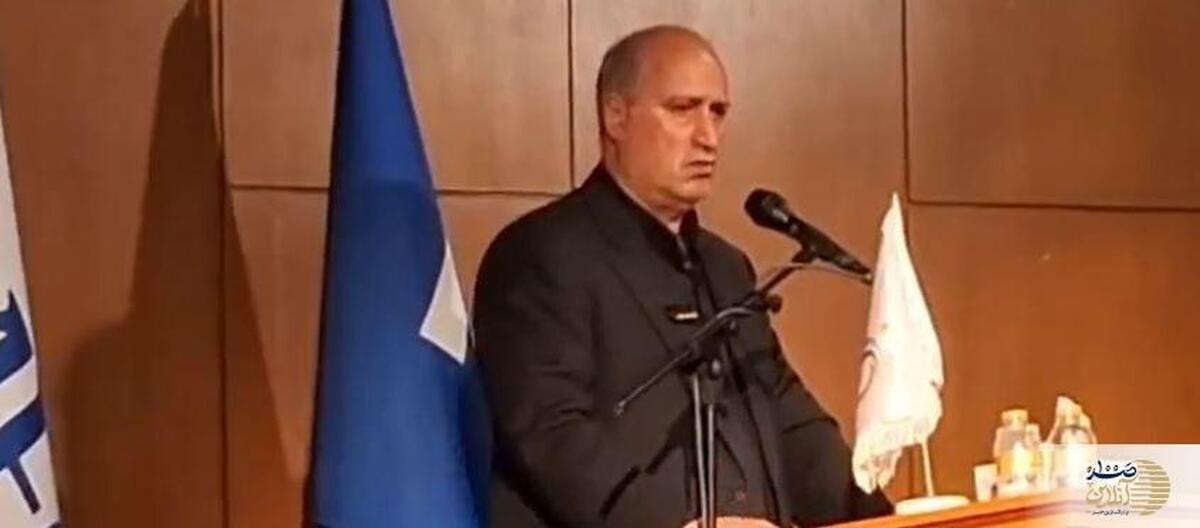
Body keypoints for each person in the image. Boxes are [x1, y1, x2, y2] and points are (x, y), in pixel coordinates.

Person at [473, 25, 892, 528]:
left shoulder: (726, 268)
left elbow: (791, 422)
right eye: (682, 109)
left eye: (718, 112)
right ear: (615, 116)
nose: (708, 137)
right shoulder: (539, 254)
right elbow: (550, 433)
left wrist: (883, 516)